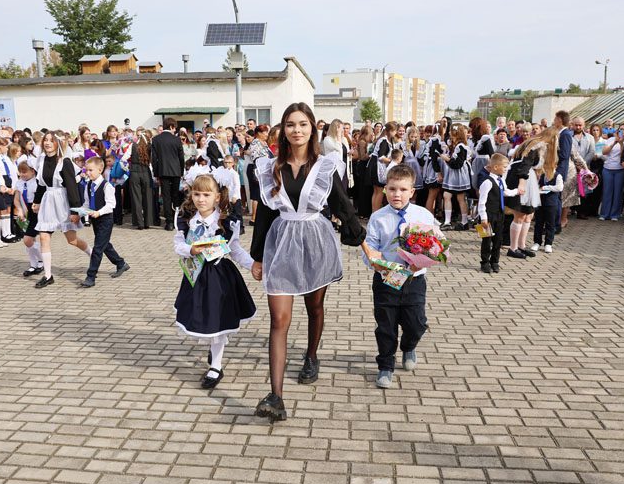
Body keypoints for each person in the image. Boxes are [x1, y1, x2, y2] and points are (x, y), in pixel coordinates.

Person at [250, 102, 375, 422]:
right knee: (279, 319)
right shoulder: (270, 168)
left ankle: (311, 355)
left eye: (303, 124)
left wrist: (365, 245)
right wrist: (258, 257)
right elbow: (265, 212)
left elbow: (343, 206)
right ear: (283, 129)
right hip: (281, 242)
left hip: (316, 241)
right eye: (290, 124)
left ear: (312, 129)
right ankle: (275, 396)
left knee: (314, 307)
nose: (297, 130)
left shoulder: (323, 166)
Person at [174, 174, 256, 389]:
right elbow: (177, 245)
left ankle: (216, 366)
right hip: (195, 276)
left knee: (218, 321)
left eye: (207, 195)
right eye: (197, 194)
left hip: (219, 277)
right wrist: (190, 249)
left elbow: (235, 249)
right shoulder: (185, 219)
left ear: (217, 197)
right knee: (203, 319)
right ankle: (215, 346)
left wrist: (253, 265)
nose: (201, 199)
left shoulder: (227, 221)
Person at [363, 164, 433, 388]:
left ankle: (409, 346)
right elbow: (371, 247)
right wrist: (375, 262)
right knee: (386, 325)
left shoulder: (423, 215)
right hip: (386, 279)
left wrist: (423, 260)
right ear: (385, 190)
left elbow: (433, 246)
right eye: (392, 189)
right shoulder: (378, 217)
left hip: (414, 279)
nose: (397, 194)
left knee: (417, 323)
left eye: (403, 190)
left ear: (412, 191)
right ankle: (385, 365)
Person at [32, 133, 91, 288]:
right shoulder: (42, 160)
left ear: (58, 143)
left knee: (72, 240)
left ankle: (93, 256)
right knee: (43, 237)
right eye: (46, 140)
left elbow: (72, 187)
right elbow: (40, 184)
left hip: (63, 201)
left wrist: (75, 211)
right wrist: (36, 201)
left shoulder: (65, 162)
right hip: (48, 201)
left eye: (51, 140)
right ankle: (48, 275)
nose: (48, 143)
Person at [506, 128, 558, 258]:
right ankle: (513, 248)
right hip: (522, 178)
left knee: (528, 215)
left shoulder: (538, 145)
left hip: (529, 179)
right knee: (520, 215)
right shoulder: (535, 145)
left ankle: (521, 246)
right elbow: (525, 164)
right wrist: (521, 184)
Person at [78, 156, 130, 287]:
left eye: (91, 170)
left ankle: (91, 276)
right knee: (104, 244)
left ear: (100, 170)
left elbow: (111, 205)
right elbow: (86, 203)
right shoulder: (88, 185)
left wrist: (99, 212)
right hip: (95, 220)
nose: (88, 173)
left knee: (98, 248)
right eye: (87, 170)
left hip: (105, 219)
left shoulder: (107, 186)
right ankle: (121, 263)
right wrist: (79, 213)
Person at [478, 154, 517, 273]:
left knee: (498, 239)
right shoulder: (487, 182)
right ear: (495, 167)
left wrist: (517, 191)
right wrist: (483, 218)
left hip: (499, 214)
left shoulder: (501, 181)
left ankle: (495, 261)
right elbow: (481, 202)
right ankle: (484, 262)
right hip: (487, 215)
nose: (506, 169)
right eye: (504, 167)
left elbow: (505, 192)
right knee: (486, 240)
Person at [151, 117, 185, 230]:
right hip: (176, 172)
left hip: (163, 171)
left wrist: (156, 173)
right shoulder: (177, 140)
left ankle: (169, 223)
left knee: (166, 197)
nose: (175, 130)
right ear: (171, 127)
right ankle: (176, 221)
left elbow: (154, 158)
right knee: (175, 195)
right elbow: (181, 157)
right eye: (175, 128)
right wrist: (181, 171)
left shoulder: (156, 139)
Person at [14, 161, 44, 275]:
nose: (22, 174)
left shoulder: (37, 183)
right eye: (20, 172)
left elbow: (41, 198)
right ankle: (34, 264)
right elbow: (16, 199)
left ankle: (42, 260)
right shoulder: (19, 183)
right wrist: (20, 210)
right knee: (29, 241)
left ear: (32, 171)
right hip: (27, 213)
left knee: (27, 240)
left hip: (37, 212)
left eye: (24, 172)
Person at [442, 125, 471, 230]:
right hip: (453, 175)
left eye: (452, 133)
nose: (450, 134)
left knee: (460, 198)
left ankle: (464, 221)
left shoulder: (461, 146)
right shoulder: (455, 145)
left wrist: (447, 159)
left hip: (458, 176)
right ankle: (447, 221)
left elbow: (458, 164)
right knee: (447, 196)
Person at [600, 123, 624, 221]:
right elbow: (604, 152)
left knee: (618, 192)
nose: (622, 131)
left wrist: (621, 143)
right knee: (607, 191)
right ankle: (604, 213)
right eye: (621, 129)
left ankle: (615, 214)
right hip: (608, 168)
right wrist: (614, 142)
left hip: (620, 169)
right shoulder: (610, 139)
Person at [128, 132, 154, 229]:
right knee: (147, 197)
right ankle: (147, 222)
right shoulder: (150, 147)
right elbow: (152, 161)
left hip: (134, 172)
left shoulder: (132, 146)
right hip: (146, 172)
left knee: (136, 198)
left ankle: (139, 223)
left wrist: (128, 169)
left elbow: (123, 159)